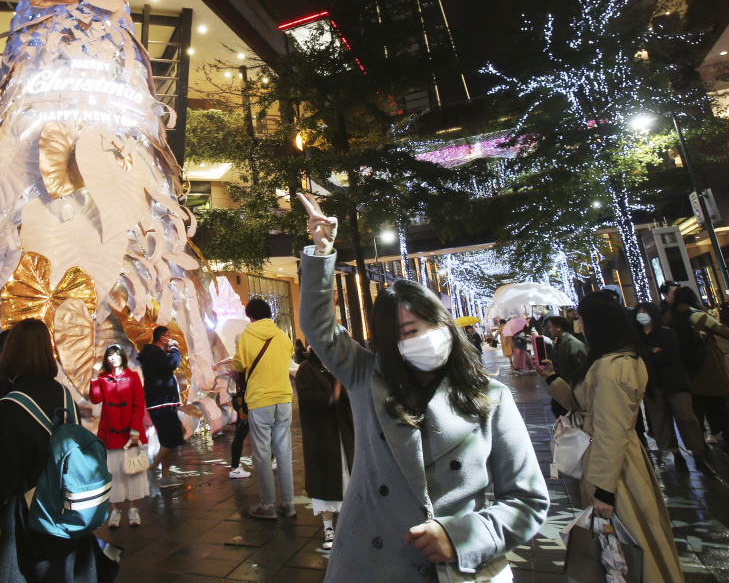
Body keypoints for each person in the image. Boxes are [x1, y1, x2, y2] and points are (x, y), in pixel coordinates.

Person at [298, 193, 548, 582]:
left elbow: (527, 500)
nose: (429, 337)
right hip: (369, 564)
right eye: (410, 331)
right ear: (391, 342)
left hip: (453, 569)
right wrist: (321, 252)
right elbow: (319, 328)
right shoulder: (369, 379)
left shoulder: (492, 398)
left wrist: (461, 536)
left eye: (433, 323)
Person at [539, 291, 684, 583]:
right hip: (609, 463)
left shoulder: (613, 366)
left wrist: (604, 488)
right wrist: (552, 378)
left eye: (580, 319)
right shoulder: (611, 360)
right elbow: (587, 407)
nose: (578, 324)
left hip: (616, 470)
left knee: (629, 541)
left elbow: (611, 429)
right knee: (621, 543)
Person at [0, 319, 119, 583]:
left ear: (9, 355)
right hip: (68, 515)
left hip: (31, 527)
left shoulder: (10, 405)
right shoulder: (64, 395)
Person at [666, 286, 729, 453]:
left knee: (697, 409)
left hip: (687, 370)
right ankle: (727, 441)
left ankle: (701, 443)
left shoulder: (668, 317)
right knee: (720, 405)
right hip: (709, 368)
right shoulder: (697, 316)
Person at [233, 298, 296, 519]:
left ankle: (268, 505)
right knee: (284, 452)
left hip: (260, 401)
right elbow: (288, 357)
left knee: (262, 454)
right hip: (284, 398)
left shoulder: (247, 335)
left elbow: (239, 365)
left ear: (250, 316)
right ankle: (288, 504)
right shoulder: (282, 335)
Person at [631, 301, 709, 473]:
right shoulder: (637, 337)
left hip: (675, 383)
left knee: (686, 417)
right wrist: (653, 351)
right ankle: (676, 454)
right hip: (653, 385)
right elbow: (639, 359)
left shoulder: (666, 333)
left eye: (645, 311)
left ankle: (698, 454)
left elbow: (669, 356)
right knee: (660, 420)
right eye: (639, 312)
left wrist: (649, 354)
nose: (641, 315)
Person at [295, 345, 355, 550]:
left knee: (348, 479)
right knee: (325, 482)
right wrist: (332, 396)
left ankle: (349, 524)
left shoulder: (339, 366)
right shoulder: (307, 368)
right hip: (321, 434)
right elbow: (306, 398)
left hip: (344, 432)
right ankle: (328, 527)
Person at [90, 344, 148, 528]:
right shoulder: (102, 377)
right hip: (110, 433)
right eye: (110, 355)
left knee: (133, 472)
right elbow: (96, 399)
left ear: (122, 356)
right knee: (112, 472)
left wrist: (135, 430)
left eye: (116, 354)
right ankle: (114, 510)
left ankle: (133, 509)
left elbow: (139, 404)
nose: (113, 358)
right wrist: (93, 377)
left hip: (131, 432)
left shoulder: (133, 376)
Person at [138, 326, 184, 488]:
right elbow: (172, 363)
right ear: (162, 337)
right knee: (174, 438)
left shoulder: (154, 354)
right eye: (168, 336)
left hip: (163, 402)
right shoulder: (154, 353)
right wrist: (175, 349)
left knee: (166, 440)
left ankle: (166, 476)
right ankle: (153, 466)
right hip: (162, 402)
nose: (170, 338)